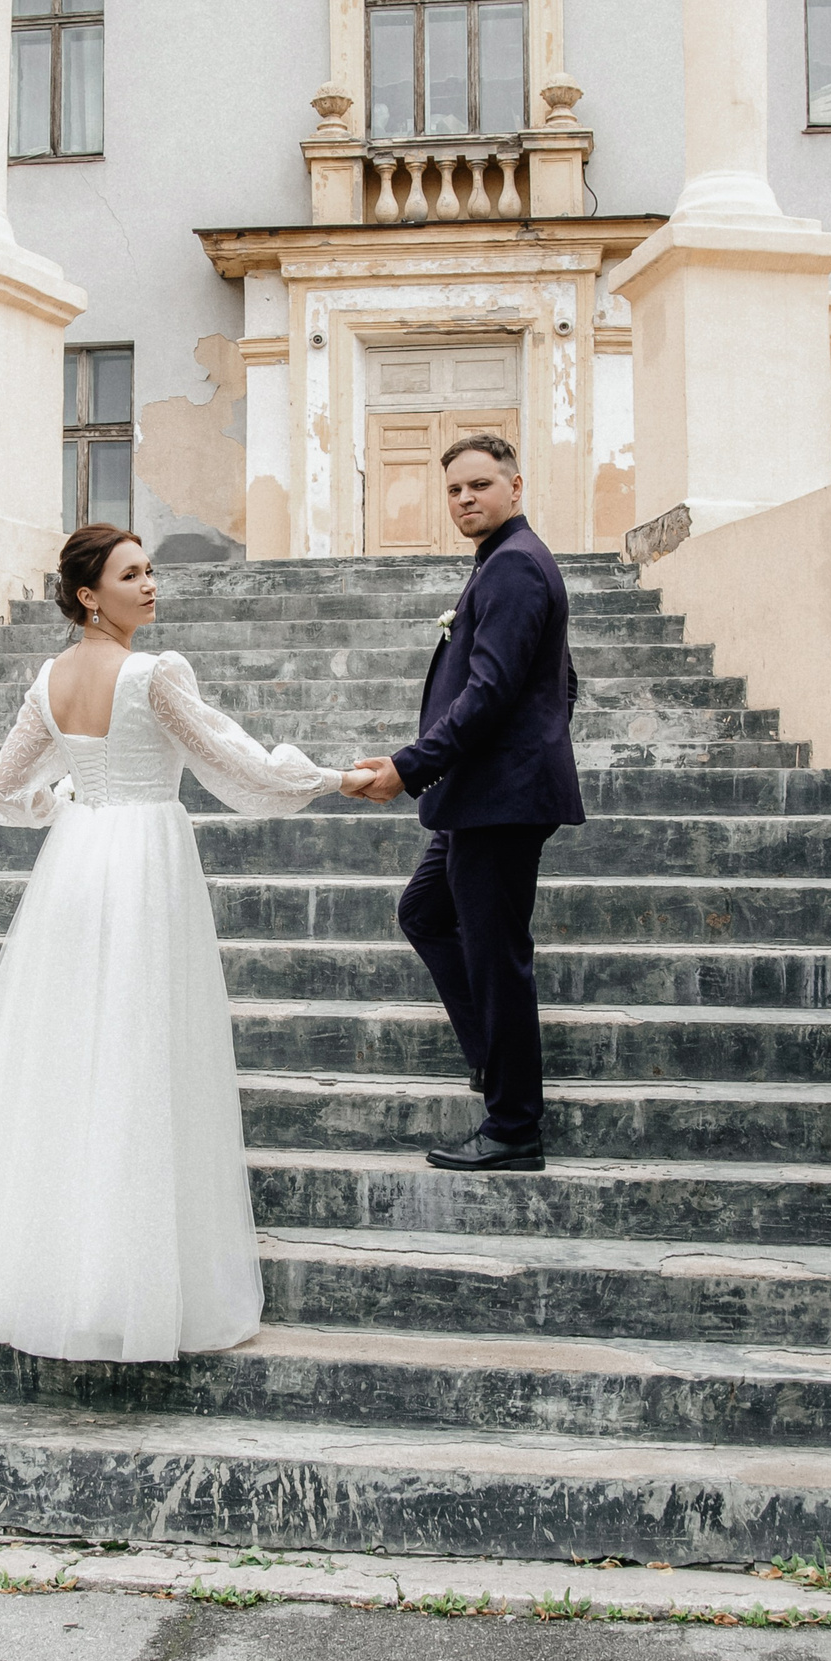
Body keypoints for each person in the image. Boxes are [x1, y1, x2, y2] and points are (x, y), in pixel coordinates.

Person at [0, 524, 376, 1362]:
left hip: (77, 866)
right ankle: (133, 1284)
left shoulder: (50, 679)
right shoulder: (155, 675)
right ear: (89, 594)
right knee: (140, 1058)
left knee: (72, 1061)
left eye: (151, 570)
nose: (152, 585)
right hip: (146, 865)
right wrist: (336, 777)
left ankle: (51, 1274)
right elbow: (235, 762)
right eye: (132, 575)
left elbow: (1, 789)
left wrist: (65, 805)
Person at [347, 435, 584, 1173]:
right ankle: (494, 1061)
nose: (465, 500)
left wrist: (408, 767)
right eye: (454, 490)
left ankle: (514, 1126)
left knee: (497, 958)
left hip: (498, 802)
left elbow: (489, 693)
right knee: (425, 912)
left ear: (517, 486)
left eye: (479, 485)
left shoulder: (514, 565)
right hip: (479, 795)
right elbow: (562, 681)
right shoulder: (503, 563)